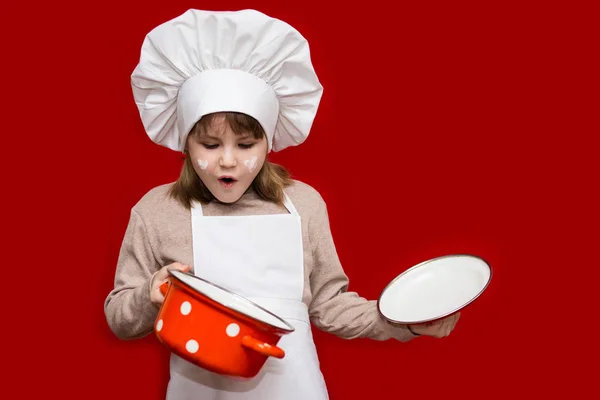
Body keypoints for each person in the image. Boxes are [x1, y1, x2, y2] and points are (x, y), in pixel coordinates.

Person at [104, 8, 460, 400]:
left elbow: (328, 305)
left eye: (245, 145)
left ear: (269, 143)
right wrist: (148, 293)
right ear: (185, 142)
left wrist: (403, 322)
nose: (227, 160)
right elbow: (120, 316)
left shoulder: (304, 203)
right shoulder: (157, 210)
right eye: (209, 145)